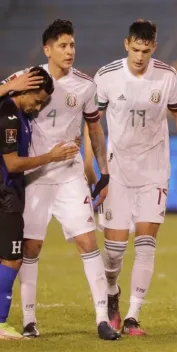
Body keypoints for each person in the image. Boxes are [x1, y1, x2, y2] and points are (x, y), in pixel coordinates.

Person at [6, 19, 119, 340]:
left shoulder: (85, 85)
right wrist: (8, 87)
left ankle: (101, 319)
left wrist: (103, 172)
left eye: (72, 45)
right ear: (47, 49)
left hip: (69, 176)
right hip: (34, 175)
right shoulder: (27, 78)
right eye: (63, 45)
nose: (70, 51)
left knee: (86, 241)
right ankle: (29, 321)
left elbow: (95, 130)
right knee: (31, 246)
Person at [91, 19, 177, 336]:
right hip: (118, 172)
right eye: (135, 49)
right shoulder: (107, 76)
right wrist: (93, 167)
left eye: (146, 50)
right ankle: (112, 292)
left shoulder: (167, 76)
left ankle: (132, 317)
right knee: (113, 252)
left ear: (154, 46)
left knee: (146, 244)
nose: (140, 56)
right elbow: (92, 123)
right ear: (127, 44)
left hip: (154, 171)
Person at [0, 67, 79, 340]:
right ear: (24, 89)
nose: (39, 105)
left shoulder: (20, 114)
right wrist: (51, 157)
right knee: (12, 258)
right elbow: (12, 164)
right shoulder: (9, 115)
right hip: (5, 195)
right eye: (38, 99)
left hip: (11, 194)